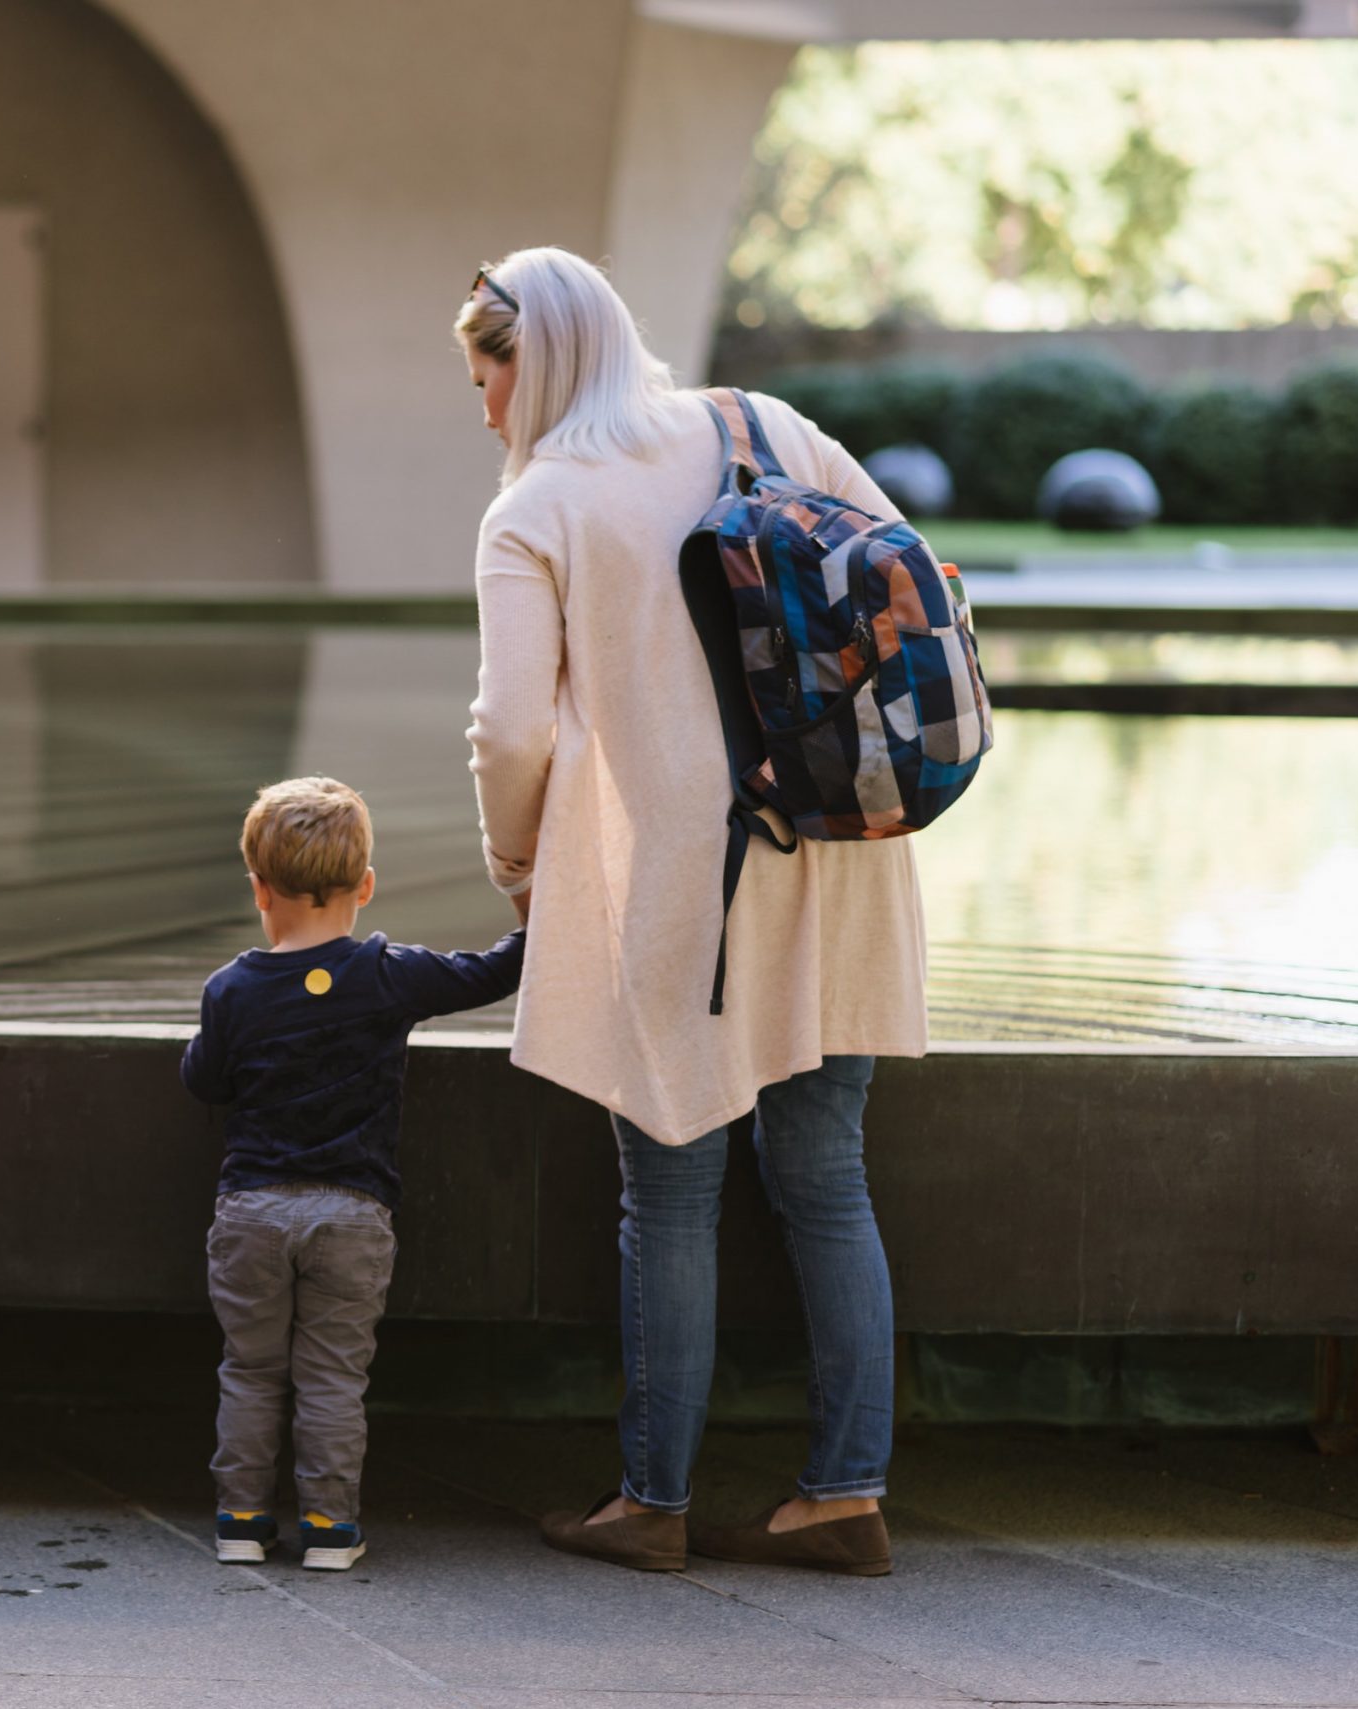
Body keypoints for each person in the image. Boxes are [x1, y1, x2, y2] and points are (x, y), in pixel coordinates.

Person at [455, 249, 925, 1577]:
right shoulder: (763, 426)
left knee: (670, 1183)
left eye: (487, 376)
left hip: (680, 883)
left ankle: (652, 1501)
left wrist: (521, 870)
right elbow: (915, 576)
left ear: (533, 361)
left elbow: (508, 730)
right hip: (836, 853)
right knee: (828, 1175)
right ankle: (846, 1491)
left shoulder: (537, 508)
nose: (484, 408)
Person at [182, 776, 523, 1572]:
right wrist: (539, 898)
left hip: (252, 1212)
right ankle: (330, 1524)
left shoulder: (230, 988)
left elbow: (205, 1080)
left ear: (260, 889)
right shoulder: (388, 973)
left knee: (252, 1369)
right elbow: (491, 972)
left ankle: (241, 1516)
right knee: (333, 1374)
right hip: (352, 1213)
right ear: (365, 885)